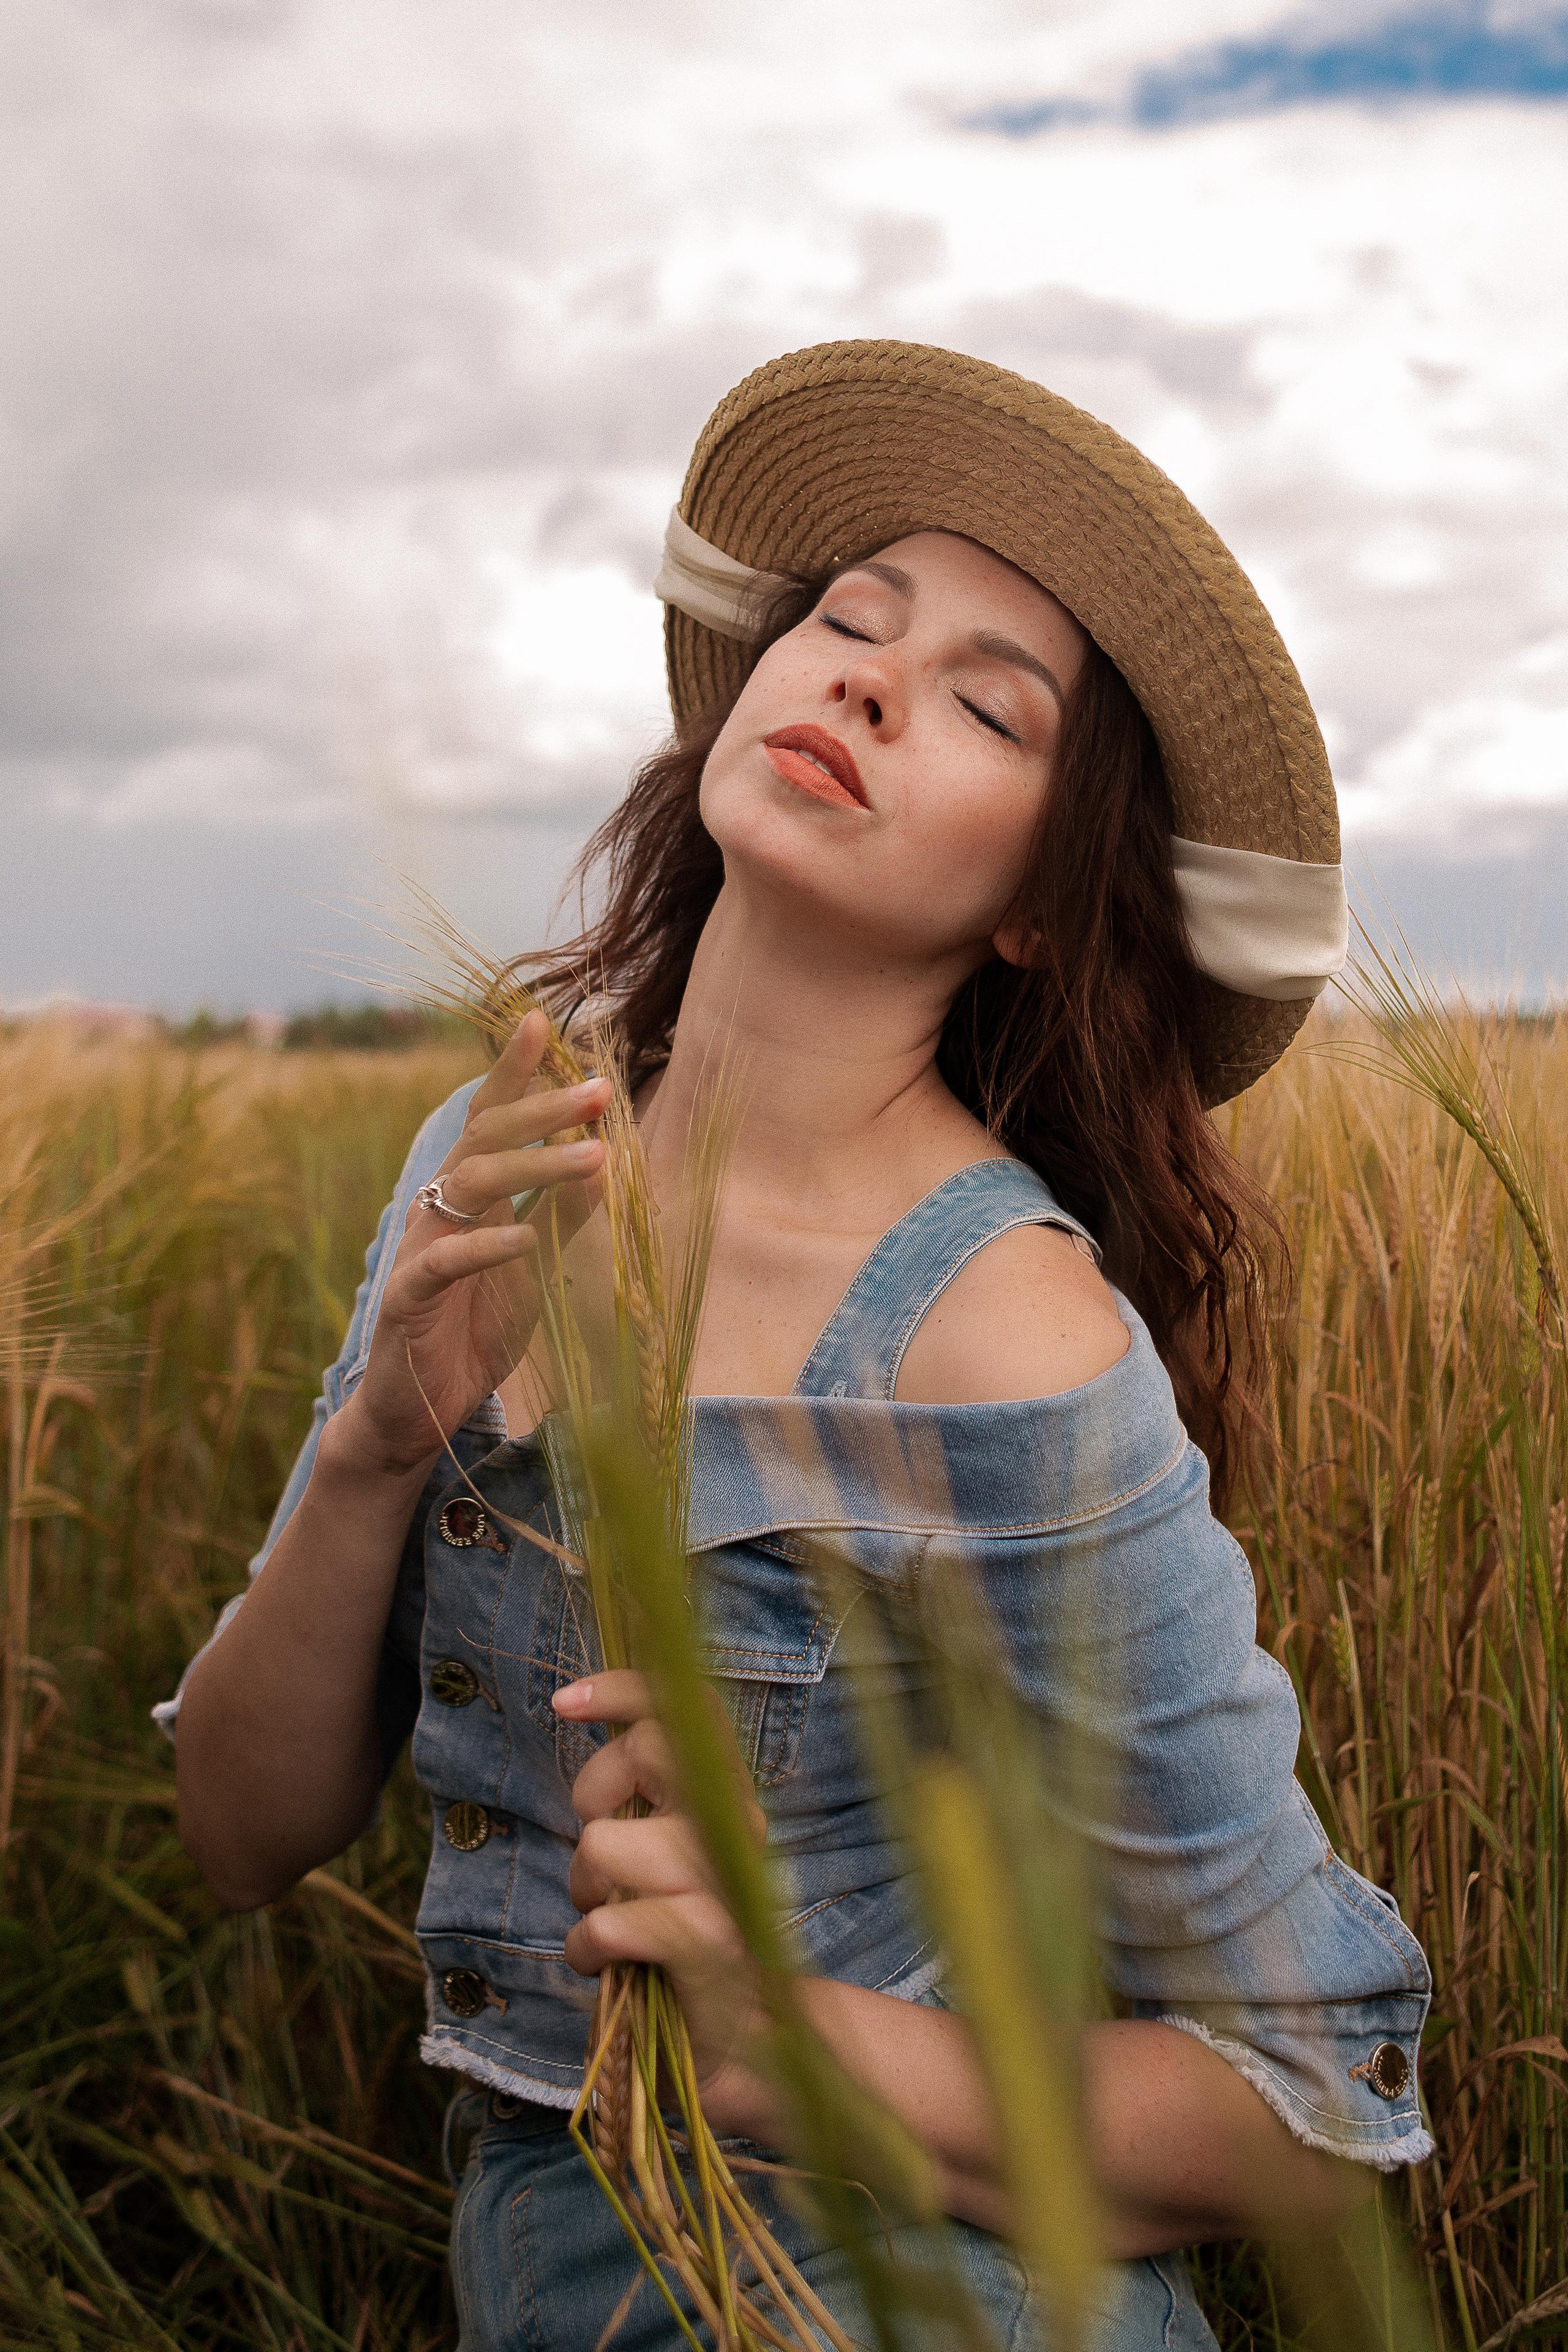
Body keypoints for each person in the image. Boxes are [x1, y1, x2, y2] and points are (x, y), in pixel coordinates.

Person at [162, 342, 1433, 2351]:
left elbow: (1317, 2094)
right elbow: (239, 1835)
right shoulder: (498, 1157)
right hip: (557, 2277)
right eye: (849, 620)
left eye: (985, 706)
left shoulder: (1006, 1336)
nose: (866, 680)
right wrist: (374, 1453)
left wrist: (785, 2040)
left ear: (1038, 905)